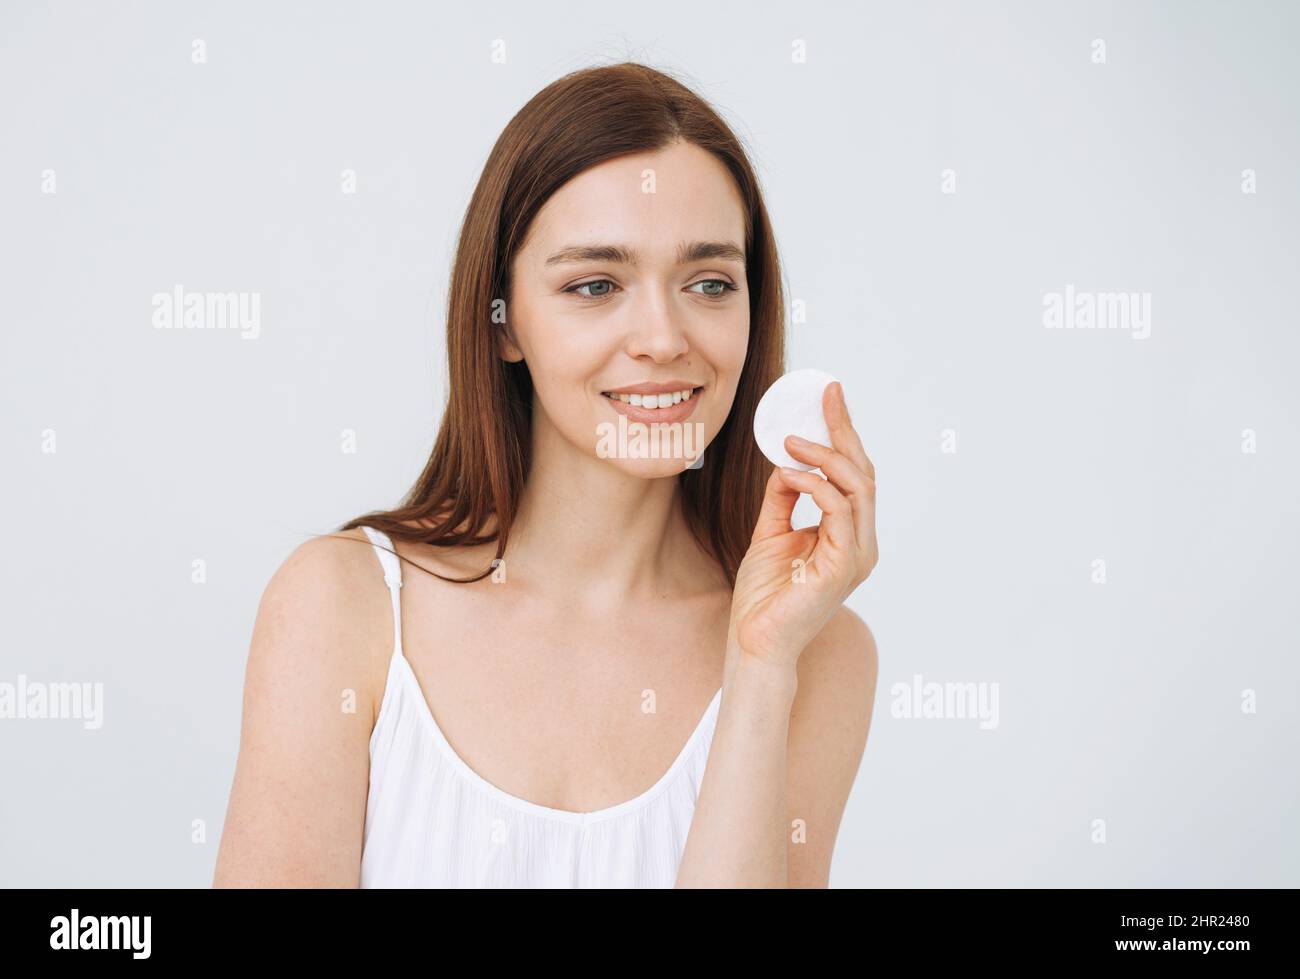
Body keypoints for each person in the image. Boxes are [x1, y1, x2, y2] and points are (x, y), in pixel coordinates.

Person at [214, 62, 879, 888]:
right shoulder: (340, 608)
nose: (664, 338)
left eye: (709, 283)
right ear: (504, 323)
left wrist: (760, 667)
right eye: (595, 285)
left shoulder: (817, 651)